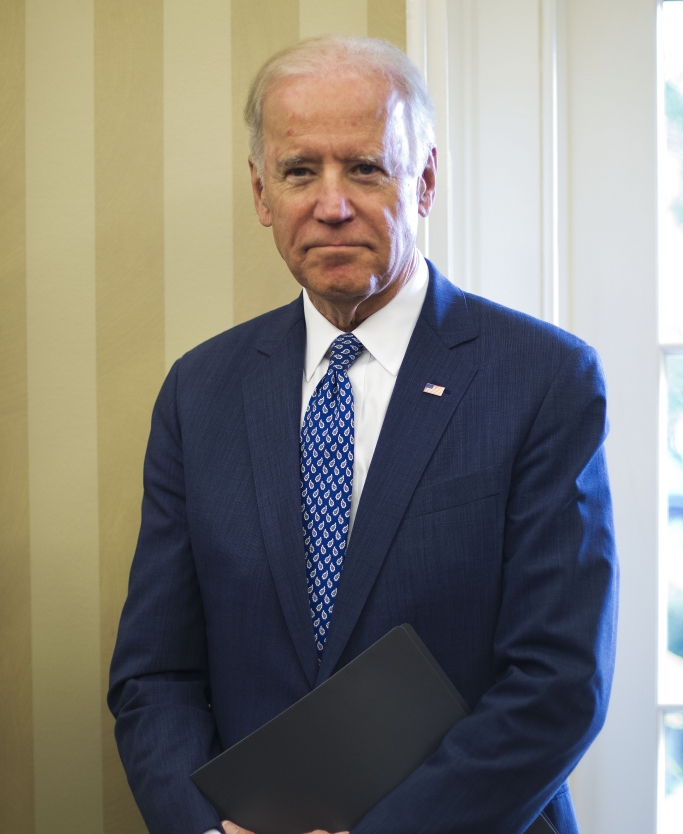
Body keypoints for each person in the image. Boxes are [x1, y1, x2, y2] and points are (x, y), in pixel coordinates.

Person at [108, 35, 617, 834]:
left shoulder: (543, 379)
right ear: (260, 191)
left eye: (367, 167)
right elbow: (156, 674)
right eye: (300, 170)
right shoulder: (199, 392)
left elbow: (558, 681)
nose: (332, 204)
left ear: (425, 181)